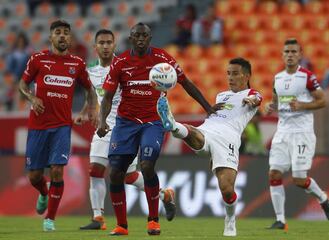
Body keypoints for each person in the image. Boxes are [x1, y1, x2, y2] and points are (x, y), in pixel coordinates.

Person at [97, 22, 215, 236]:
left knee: (147, 165)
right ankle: (122, 225)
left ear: (150, 38)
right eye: (136, 36)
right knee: (115, 173)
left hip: (153, 121)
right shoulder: (121, 62)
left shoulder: (163, 60)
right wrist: (102, 121)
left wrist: (208, 107)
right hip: (126, 123)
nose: (141, 39)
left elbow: (186, 82)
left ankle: (153, 221)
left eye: (144, 36)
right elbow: (107, 97)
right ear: (131, 38)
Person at [74, 29, 176, 230]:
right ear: (95, 47)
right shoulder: (91, 70)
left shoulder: (123, 63)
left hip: (126, 124)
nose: (105, 46)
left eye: (109, 42)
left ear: (114, 45)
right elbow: (94, 94)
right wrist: (87, 111)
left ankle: (164, 195)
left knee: (127, 176)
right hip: (105, 124)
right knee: (95, 169)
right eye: (101, 43)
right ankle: (98, 218)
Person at [156, 57, 262, 237]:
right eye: (228, 73)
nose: (230, 78)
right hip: (208, 130)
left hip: (228, 139)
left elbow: (257, 98)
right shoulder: (221, 95)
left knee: (227, 190)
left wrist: (252, 100)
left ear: (246, 76)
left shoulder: (252, 93)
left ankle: (230, 220)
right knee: (193, 133)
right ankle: (173, 125)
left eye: (235, 74)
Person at [18, 20, 97, 231]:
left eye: (66, 33)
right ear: (51, 37)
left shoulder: (77, 64)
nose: (62, 36)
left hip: (62, 126)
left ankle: (49, 219)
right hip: (38, 126)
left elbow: (90, 90)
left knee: (57, 172)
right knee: (35, 176)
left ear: (70, 38)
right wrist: (32, 98)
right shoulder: (38, 59)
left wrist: (86, 111)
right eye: (58, 33)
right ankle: (44, 193)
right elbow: (22, 84)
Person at [265, 38, 329, 230]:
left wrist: (303, 105)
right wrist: (272, 107)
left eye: (293, 52)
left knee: (298, 179)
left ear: (300, 55)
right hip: (282, 132)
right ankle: (280, 220)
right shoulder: (277, 78)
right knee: (274, 173)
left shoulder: (307, 77)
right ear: (282, 55)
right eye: (286, 51)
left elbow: (322, 101)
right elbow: (277, 103)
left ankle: (323, 198)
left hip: (302, 133)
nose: (290, 55)